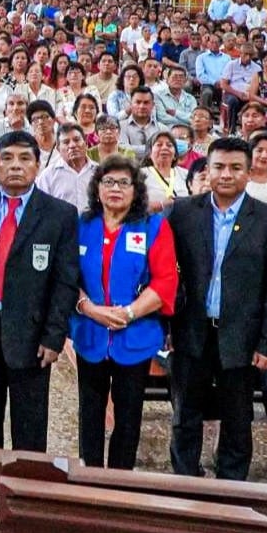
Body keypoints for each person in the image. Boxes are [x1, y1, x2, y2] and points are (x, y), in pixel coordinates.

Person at [0, 130, 80, 497]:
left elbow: (65, 282)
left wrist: (55, 336)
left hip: (31, 329)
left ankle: (25, 480)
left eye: (25, 158)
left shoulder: (59, 215)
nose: (15, 166)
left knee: (29, 411)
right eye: (7, 158)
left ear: (38, 166)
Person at [169, 136, 267, 481]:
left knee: (238, 417)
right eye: (219, 167)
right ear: (206, 170)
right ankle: (183, 480)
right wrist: (165, 327)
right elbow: (165, 273)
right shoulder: (181, 212)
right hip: (190, 330)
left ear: (249, 171)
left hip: (242, 336)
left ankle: (231, 485)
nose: (227, 174)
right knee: (185, 414)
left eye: (236, 167)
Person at [71, 156, 178, 469]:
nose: (114, 189)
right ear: (97, 188)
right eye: (108, 182)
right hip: (90, 333)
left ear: (136, 190)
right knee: (89, 412)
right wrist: (89, 308)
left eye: (123, 183)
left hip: (135, 337)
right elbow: (67, 276)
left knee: (129, 414)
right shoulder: (82, 225)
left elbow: (166, 280)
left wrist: (128, 313)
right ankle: (88, 477)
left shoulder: (152, 226)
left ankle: (120, 479)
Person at [38, 123, 96, 210]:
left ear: (86, 143)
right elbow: (40, 208)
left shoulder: (98, 171)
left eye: (76, 140)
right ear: (58, 148)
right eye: (66, 142)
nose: (72, 145)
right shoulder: (48, 176)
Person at [142, 132, 189, 213]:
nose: (164, 148)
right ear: (149, 153)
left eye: (169, 145)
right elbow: (131, 206)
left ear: (175, 155)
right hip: (151, 223)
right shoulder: (140, 175)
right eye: (159, 145)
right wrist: (161, 205)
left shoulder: (186, 174)